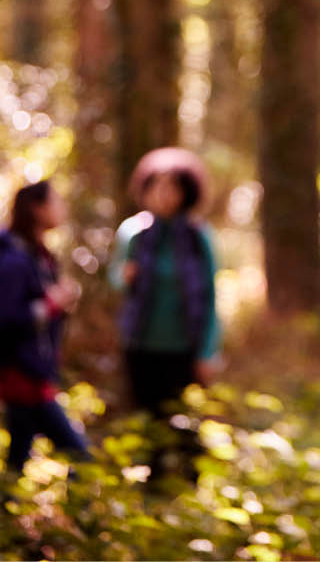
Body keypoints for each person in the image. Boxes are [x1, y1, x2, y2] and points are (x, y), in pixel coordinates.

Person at [110, 147, 221, 418]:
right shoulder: (133, 233)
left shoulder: (198, 237)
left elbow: (209, 296)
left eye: (171, 187)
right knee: (144, 420)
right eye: (156, 186)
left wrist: (206, 352)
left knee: (184, 427)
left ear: (186, 192)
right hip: (140, 345)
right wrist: (123, 278)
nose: (163, 194)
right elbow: (114, 278)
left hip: (184, 348)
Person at [0, 180, 90, 473]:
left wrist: (59, 304)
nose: (62, 208)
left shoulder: (40, 256)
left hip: (35, 374)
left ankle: (7, 507)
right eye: (56, 201)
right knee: (80, 457)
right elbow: (7, 318)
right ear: (37, 209)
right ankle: (86, 514)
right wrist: (51, 304)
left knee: (17, 459)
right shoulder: (14, 260)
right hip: (22, 378)